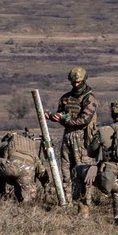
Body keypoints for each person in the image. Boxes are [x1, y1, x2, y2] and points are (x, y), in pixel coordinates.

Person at [45, 66, 98, 204]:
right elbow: (61, 114)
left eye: (78, 82)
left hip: (82, 139)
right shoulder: (66, 98)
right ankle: (67, 202)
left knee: (83, 171)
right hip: (67, 136)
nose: (75, 84)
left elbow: (84, 120)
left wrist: (65, 119)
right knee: (66, 170)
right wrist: (52, 117)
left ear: (84, 80)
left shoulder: (89, 98)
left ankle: (84, 203)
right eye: (73, 82)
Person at [0, 129, 44, 203]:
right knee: (27, 203)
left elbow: (0, 172)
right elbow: (42, 172)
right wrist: (47, 187)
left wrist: (2, 192)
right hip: (27, 172)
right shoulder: (32, 150)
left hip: (11, 166)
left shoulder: (6, 143)